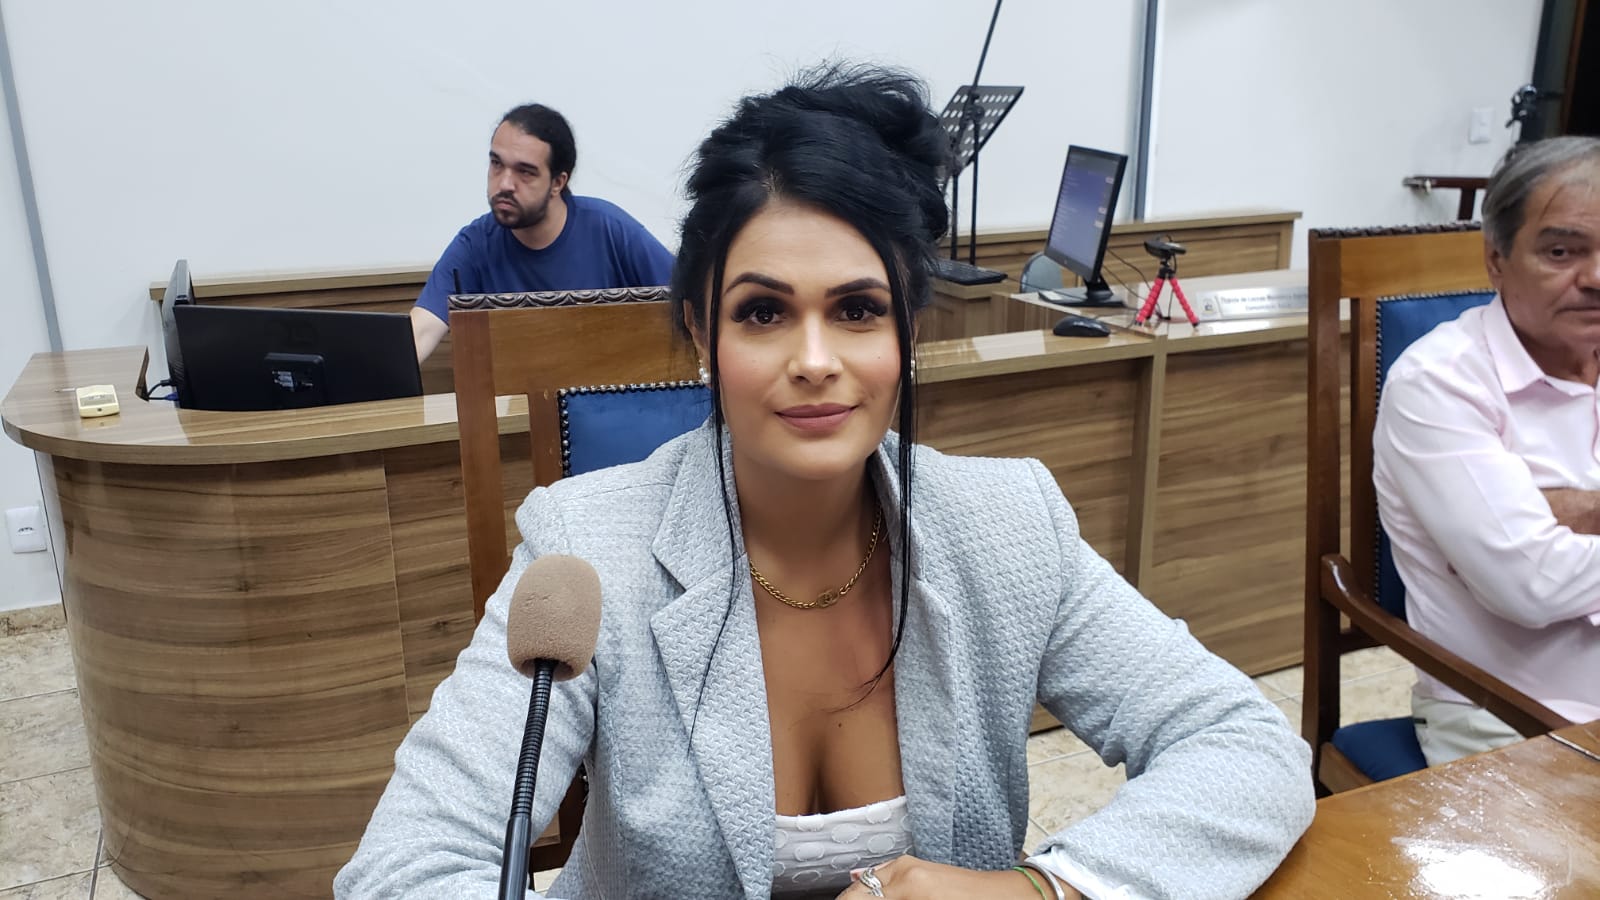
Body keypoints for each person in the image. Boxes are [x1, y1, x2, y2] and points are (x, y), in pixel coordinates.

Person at [339, 66, 1312, 900]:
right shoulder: (588, 553)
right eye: (763, 314)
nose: (814, 360)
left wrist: (1038, 890)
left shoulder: (1008, 525)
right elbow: (402, 869)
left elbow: (1246, 745)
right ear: (701, 332)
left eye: (857, 310)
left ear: (908, 330)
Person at [1374, 135, 1600, 767]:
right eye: (1562, 252)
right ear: (1496, 260)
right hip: (1517, 719)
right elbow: (1533, 585)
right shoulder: (1439, 383)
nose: (1596, 279)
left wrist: (1580, 511)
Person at [409, 103, 675, 362]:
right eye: (496, 164)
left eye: (525, 172)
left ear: (558, 182)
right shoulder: (474, 244)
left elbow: (688, 302)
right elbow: (420, 332)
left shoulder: (610, 229)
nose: (505, 183)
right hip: (517, 391)